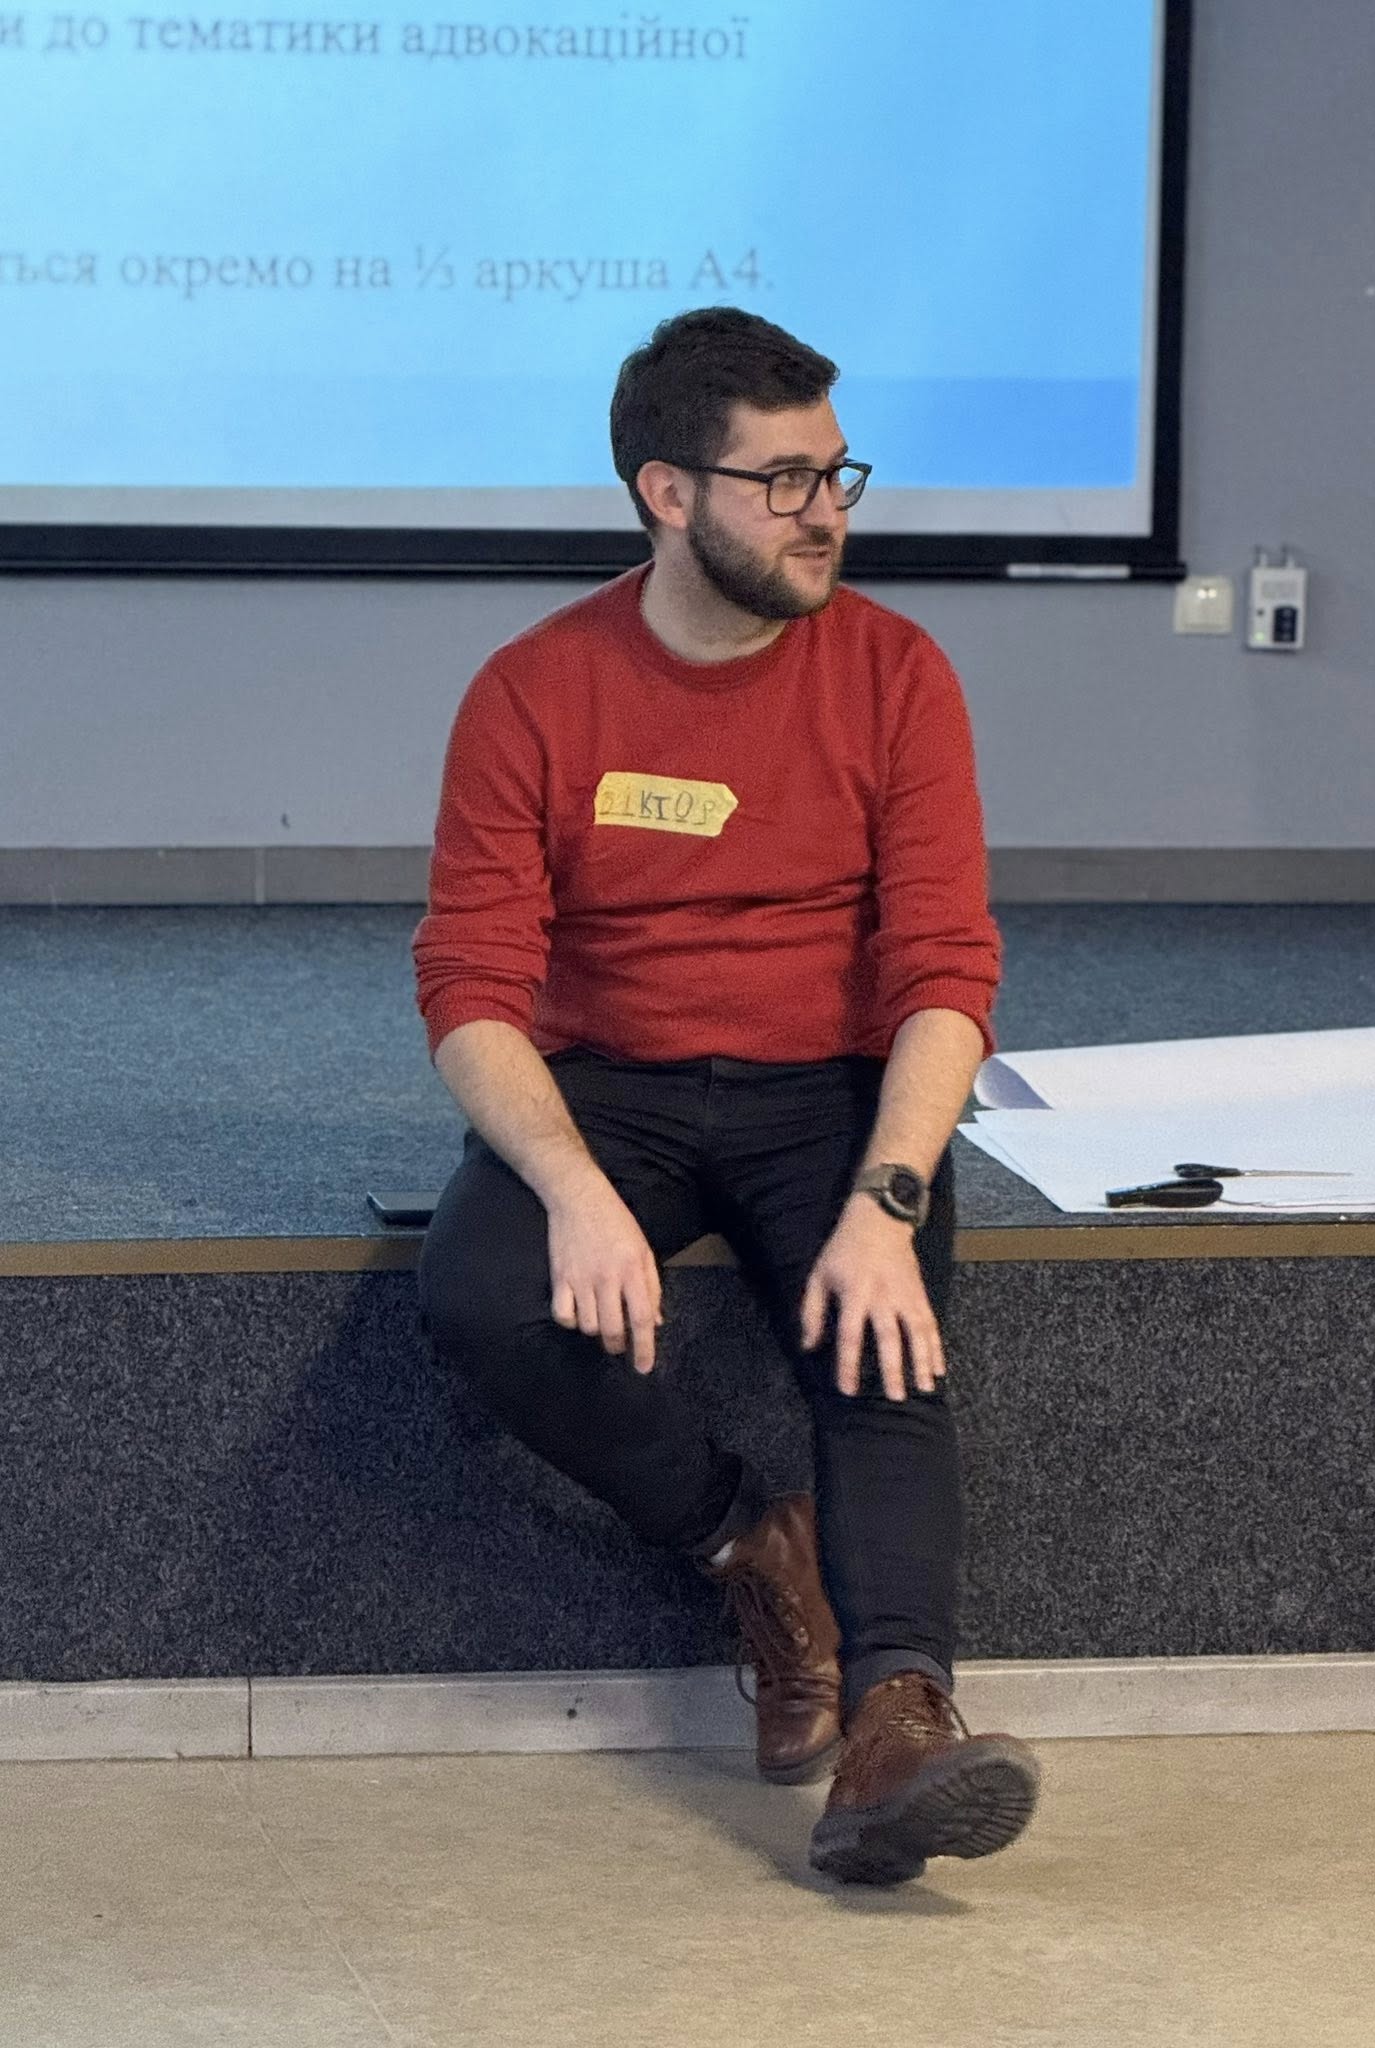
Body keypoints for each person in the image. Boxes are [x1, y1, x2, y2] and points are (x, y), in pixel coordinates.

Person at [413, 306, 1039, 1886]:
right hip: (608, 1083)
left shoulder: (897, 674)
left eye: (838, 473)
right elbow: (471, 986)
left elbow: (947, 969)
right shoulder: (535, 689)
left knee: (882, 1341)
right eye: (783, 481)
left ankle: (901, 1726)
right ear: (668, 492)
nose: (826, 511)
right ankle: (750, 1543)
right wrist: (573, 1192)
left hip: (826, 1085)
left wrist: (887, 1202)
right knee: (482, 1295)